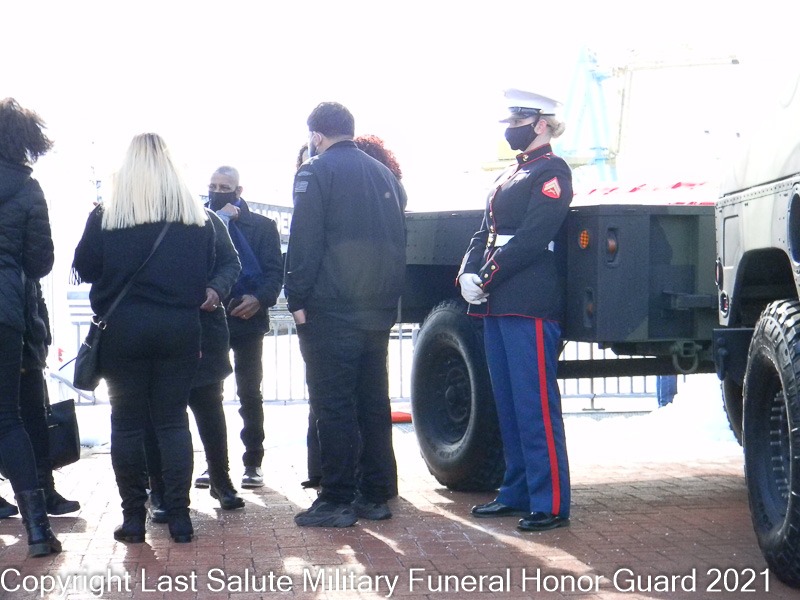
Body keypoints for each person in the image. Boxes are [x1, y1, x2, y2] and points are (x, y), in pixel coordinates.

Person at [73, 132, 217, 544]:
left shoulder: (107, 216)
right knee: (173, 422)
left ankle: (134, 518)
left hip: (123, 331)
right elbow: (207, 270)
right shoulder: (196, 218)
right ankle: (180, 517)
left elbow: (84, 266)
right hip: (179, 329)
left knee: (127, 425)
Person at [285, 102, 406, 527]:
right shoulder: (385, 175)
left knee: (333, 404)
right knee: (373, 402)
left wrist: (296, 300)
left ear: (316, 135)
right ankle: (374, 493)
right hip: (377, 307)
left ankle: (336, 498)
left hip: (331, 308)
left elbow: (304, 240)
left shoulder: (315, 171)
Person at [460, 89, 573, 532]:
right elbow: (484, 233)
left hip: (528, 300)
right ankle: (517, 491)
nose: (510, 129)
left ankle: (551, 501)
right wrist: (466, 274)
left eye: (517, 122)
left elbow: (532, 238)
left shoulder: (552, 171)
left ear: (541, 124)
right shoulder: (513, 172)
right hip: (499, 302)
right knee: (508, 404)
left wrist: (485, 277)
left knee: (535, 406)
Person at [145, 208, 243, 520]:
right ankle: (159, 489)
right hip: (156, 329)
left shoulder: (205, 217)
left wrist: (216, 288)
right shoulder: (138, 214)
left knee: (209, 408)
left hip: (204, 329)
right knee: (156, 416)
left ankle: (220, 479)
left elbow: (231, 262)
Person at [0, 97, 61, 557]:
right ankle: (38, 531)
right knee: (8, 418)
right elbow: (40, 261)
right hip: (5, 311)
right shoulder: (26, 186)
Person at [199, 166, 284, 490]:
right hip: (211, 318)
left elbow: (274, 273)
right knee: (209, 395)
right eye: (213, 185)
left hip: (248, 319)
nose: (218, 191)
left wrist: (258, 300)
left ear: (239, 190)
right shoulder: (201, 222)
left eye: (225, 186)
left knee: (249, 393)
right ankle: (214, 465)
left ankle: (253, 462)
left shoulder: (262, 226)